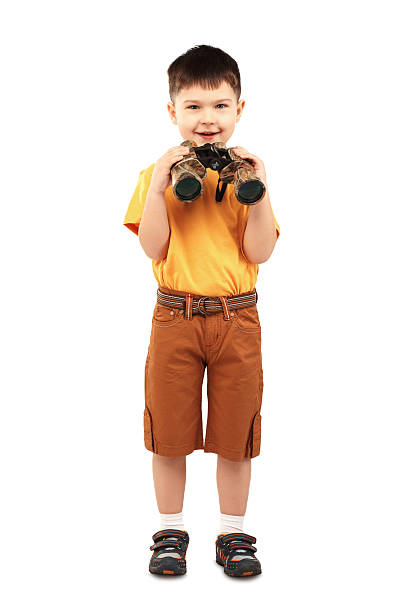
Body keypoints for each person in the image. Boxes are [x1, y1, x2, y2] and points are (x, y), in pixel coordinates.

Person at [123, 45, 280, 577]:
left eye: (219, 106)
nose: (207, 119)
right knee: (168, 431)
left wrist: (258, 193)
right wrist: (162, 186)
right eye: (192, 107)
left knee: (236, 434)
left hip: (237, 318)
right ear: (172, 112)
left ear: (239, 109)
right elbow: (152, 247)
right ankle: (170, 529)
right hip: (174, 316)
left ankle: (232, 534)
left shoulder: (249, 174)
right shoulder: (155, 174)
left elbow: (260, 253)